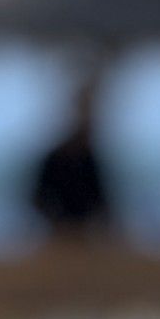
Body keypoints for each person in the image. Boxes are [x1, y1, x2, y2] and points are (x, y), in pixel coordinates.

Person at [28, 72, 114, 237]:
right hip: (59, 235)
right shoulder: (56, 159)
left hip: (85, 236)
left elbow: (102, 203)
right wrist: (58, 222)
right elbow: (37, 198)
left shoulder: (90, 159)